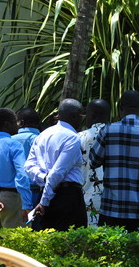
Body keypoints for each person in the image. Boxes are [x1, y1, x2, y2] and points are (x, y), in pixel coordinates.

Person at [89, 90, 139, 231]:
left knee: (108, 244)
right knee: (138, 245)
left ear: (120, 107)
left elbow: (93, 161)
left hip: (112, 207)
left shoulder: (107, 131)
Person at [25, 98, 87, 231]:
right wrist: (44, 202)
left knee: (46, 239)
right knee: (72, 240)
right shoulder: (72, 138)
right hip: (67, 197)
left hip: (46, 194)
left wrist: (43, 178)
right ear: (74, 116)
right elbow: (57, 173)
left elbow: (29, 166)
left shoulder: (42, 135)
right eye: (81, 115)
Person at [78, 99, 111, 227]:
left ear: (91, 115)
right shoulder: (116, 136)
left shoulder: (80, 137)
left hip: (86, 198)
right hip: (113, 202)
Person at [12, 107, 42, 213]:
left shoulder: (10, 140)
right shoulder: (42, 139)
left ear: (21, 123)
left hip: (15, 192)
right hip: (37, 191)